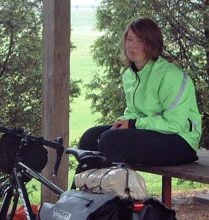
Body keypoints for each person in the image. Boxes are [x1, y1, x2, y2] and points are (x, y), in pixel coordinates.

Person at [77, 17, 201, 171]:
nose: (132, 46)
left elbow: (174, 124)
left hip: (181, 141)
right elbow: (134, 112)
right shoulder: (130, 75)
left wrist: (133, 124)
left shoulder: (170, 76)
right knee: (89, 137)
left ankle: (118, 192)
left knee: (110, 140)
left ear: (151, 43)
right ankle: (82, 192)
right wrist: (123, 122)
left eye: (140, 41)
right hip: (151, 133)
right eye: (129, 40)